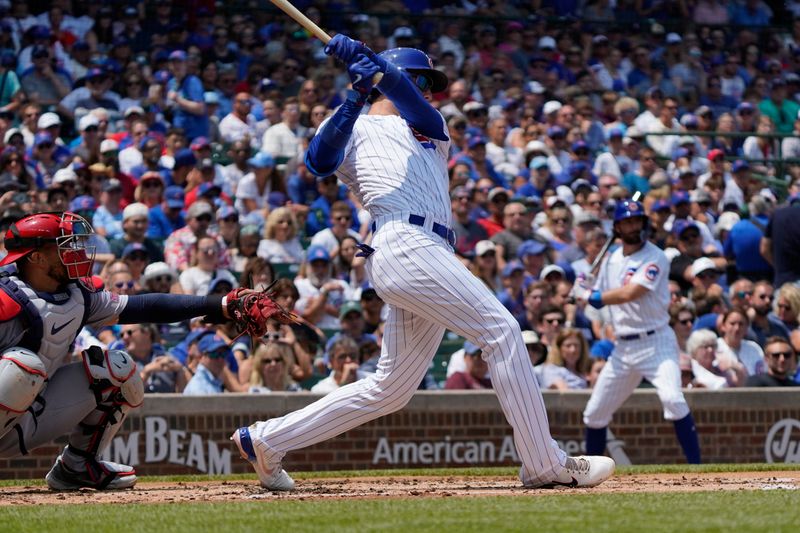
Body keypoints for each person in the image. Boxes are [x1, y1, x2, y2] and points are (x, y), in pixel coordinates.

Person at [231, 39, 614, 491]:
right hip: (404, 240)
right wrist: (356, 93)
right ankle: (544, 462)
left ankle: (266, 440)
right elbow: (318, 161)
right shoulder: (351, 124)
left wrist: (380, 74)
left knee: (391, 388)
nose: (429, 91)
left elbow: (414, 104)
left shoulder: (428, 126)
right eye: (422, 80)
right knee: (503, 332)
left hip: (427, 249)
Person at [0, 212, 267, 491]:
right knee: (22, 365)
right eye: (64, 245)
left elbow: (145, 306)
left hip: (30, 415)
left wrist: (220, 304)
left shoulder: (80, 295)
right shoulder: (6, 296)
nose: (75, 252)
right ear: (36, 258)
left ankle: (76, 467)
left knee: (119, 370)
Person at [576, 199, 701, 464]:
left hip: (656, 341)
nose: (634, 226)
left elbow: (631, 292)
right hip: (624, 347)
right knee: (595, 413)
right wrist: (582, 285)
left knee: (673, 399)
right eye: (627, 222)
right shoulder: (610, 260)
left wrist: (591, 295)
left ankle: (696, 468)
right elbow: (593, 290)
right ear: (617, 227)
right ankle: (590, 472)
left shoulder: (655, 256)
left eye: (637, 221)